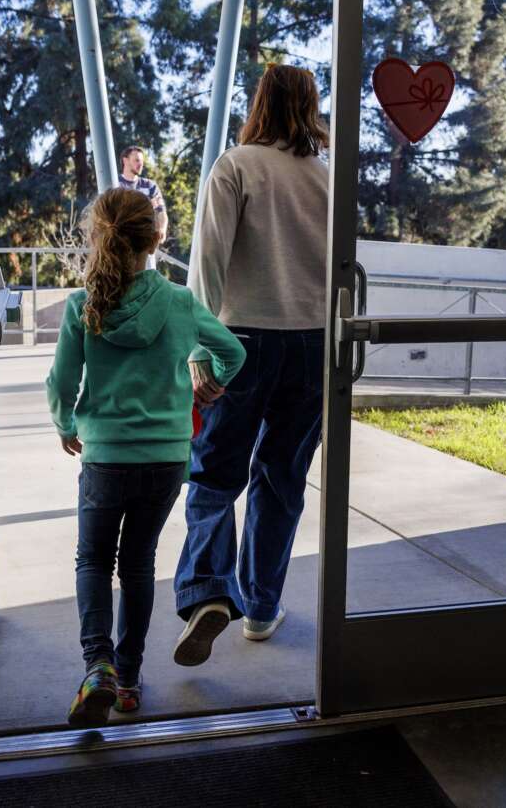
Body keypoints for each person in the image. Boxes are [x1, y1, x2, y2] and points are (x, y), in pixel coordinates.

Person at [46, 187, 245, 727]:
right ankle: (129, 682)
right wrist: (211, 382)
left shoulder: (83, 305)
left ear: (97, 239)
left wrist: (66, 423)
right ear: (156, 239)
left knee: (93, 561)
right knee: (137, 565)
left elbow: (62, 380)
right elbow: (233, 350)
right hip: (164, 458)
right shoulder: (180, 302)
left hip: (105, 456)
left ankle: (98, 668)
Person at [172, 64, 330, 667]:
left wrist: (199, 347)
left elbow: (207, 263)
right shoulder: (326, 178)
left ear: (259, 102)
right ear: (311, 107)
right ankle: (261, 608)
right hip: (313, 343)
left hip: (241, 342)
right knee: (281, 478)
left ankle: (211, 590)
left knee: (214, 473)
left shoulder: (236, 165)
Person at [118, 145, 167, 272]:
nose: (141, 164)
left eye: (142, 161)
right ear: (125, 161)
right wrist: (148, 205)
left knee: (147, 279)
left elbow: (161, 212)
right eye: (137, 160)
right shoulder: (115, 184)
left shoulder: (150, 186)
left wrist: (162, 228)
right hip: (122, 244)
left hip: (145, 244)